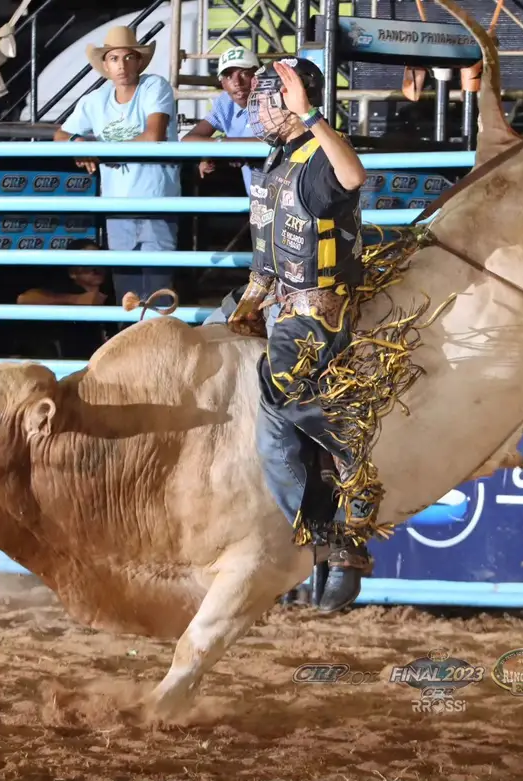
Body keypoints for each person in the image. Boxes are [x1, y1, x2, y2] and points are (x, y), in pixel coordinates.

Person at [225, 58, 370, 613]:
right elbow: (266, 260)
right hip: (279, 309)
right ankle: (326, 539)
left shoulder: (316, 158)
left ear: (293, 100)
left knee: (275, 430)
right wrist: (240, 312)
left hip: (316, 317)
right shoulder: (278, 162)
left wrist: (310, 114)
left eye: (268, 99)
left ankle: (339, 521)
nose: (255, 110)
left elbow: (354, 177)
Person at [54, 25, 180, 308]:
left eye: (128, 57)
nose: (121, 65)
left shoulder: (154, 85)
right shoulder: (94, 100)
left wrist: (96, 149)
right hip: (117, 208)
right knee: (129, 297)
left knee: (158, 295)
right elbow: (60, 135)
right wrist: (79, 142)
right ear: (105, 65)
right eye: (113, 58)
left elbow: (153, 136)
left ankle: (157, 351)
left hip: (156, 204)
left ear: (138, 61)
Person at [181, 45, 261, 195]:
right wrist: (218, 148)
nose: (237, 82)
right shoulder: (225, 102)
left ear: (257, 76)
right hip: (258, 198)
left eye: (244, 73)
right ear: (222, 83)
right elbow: (188, 140)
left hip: (288, 191)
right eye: (229, 76)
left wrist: (225, 146)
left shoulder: (272, 98)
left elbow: (272, 142)